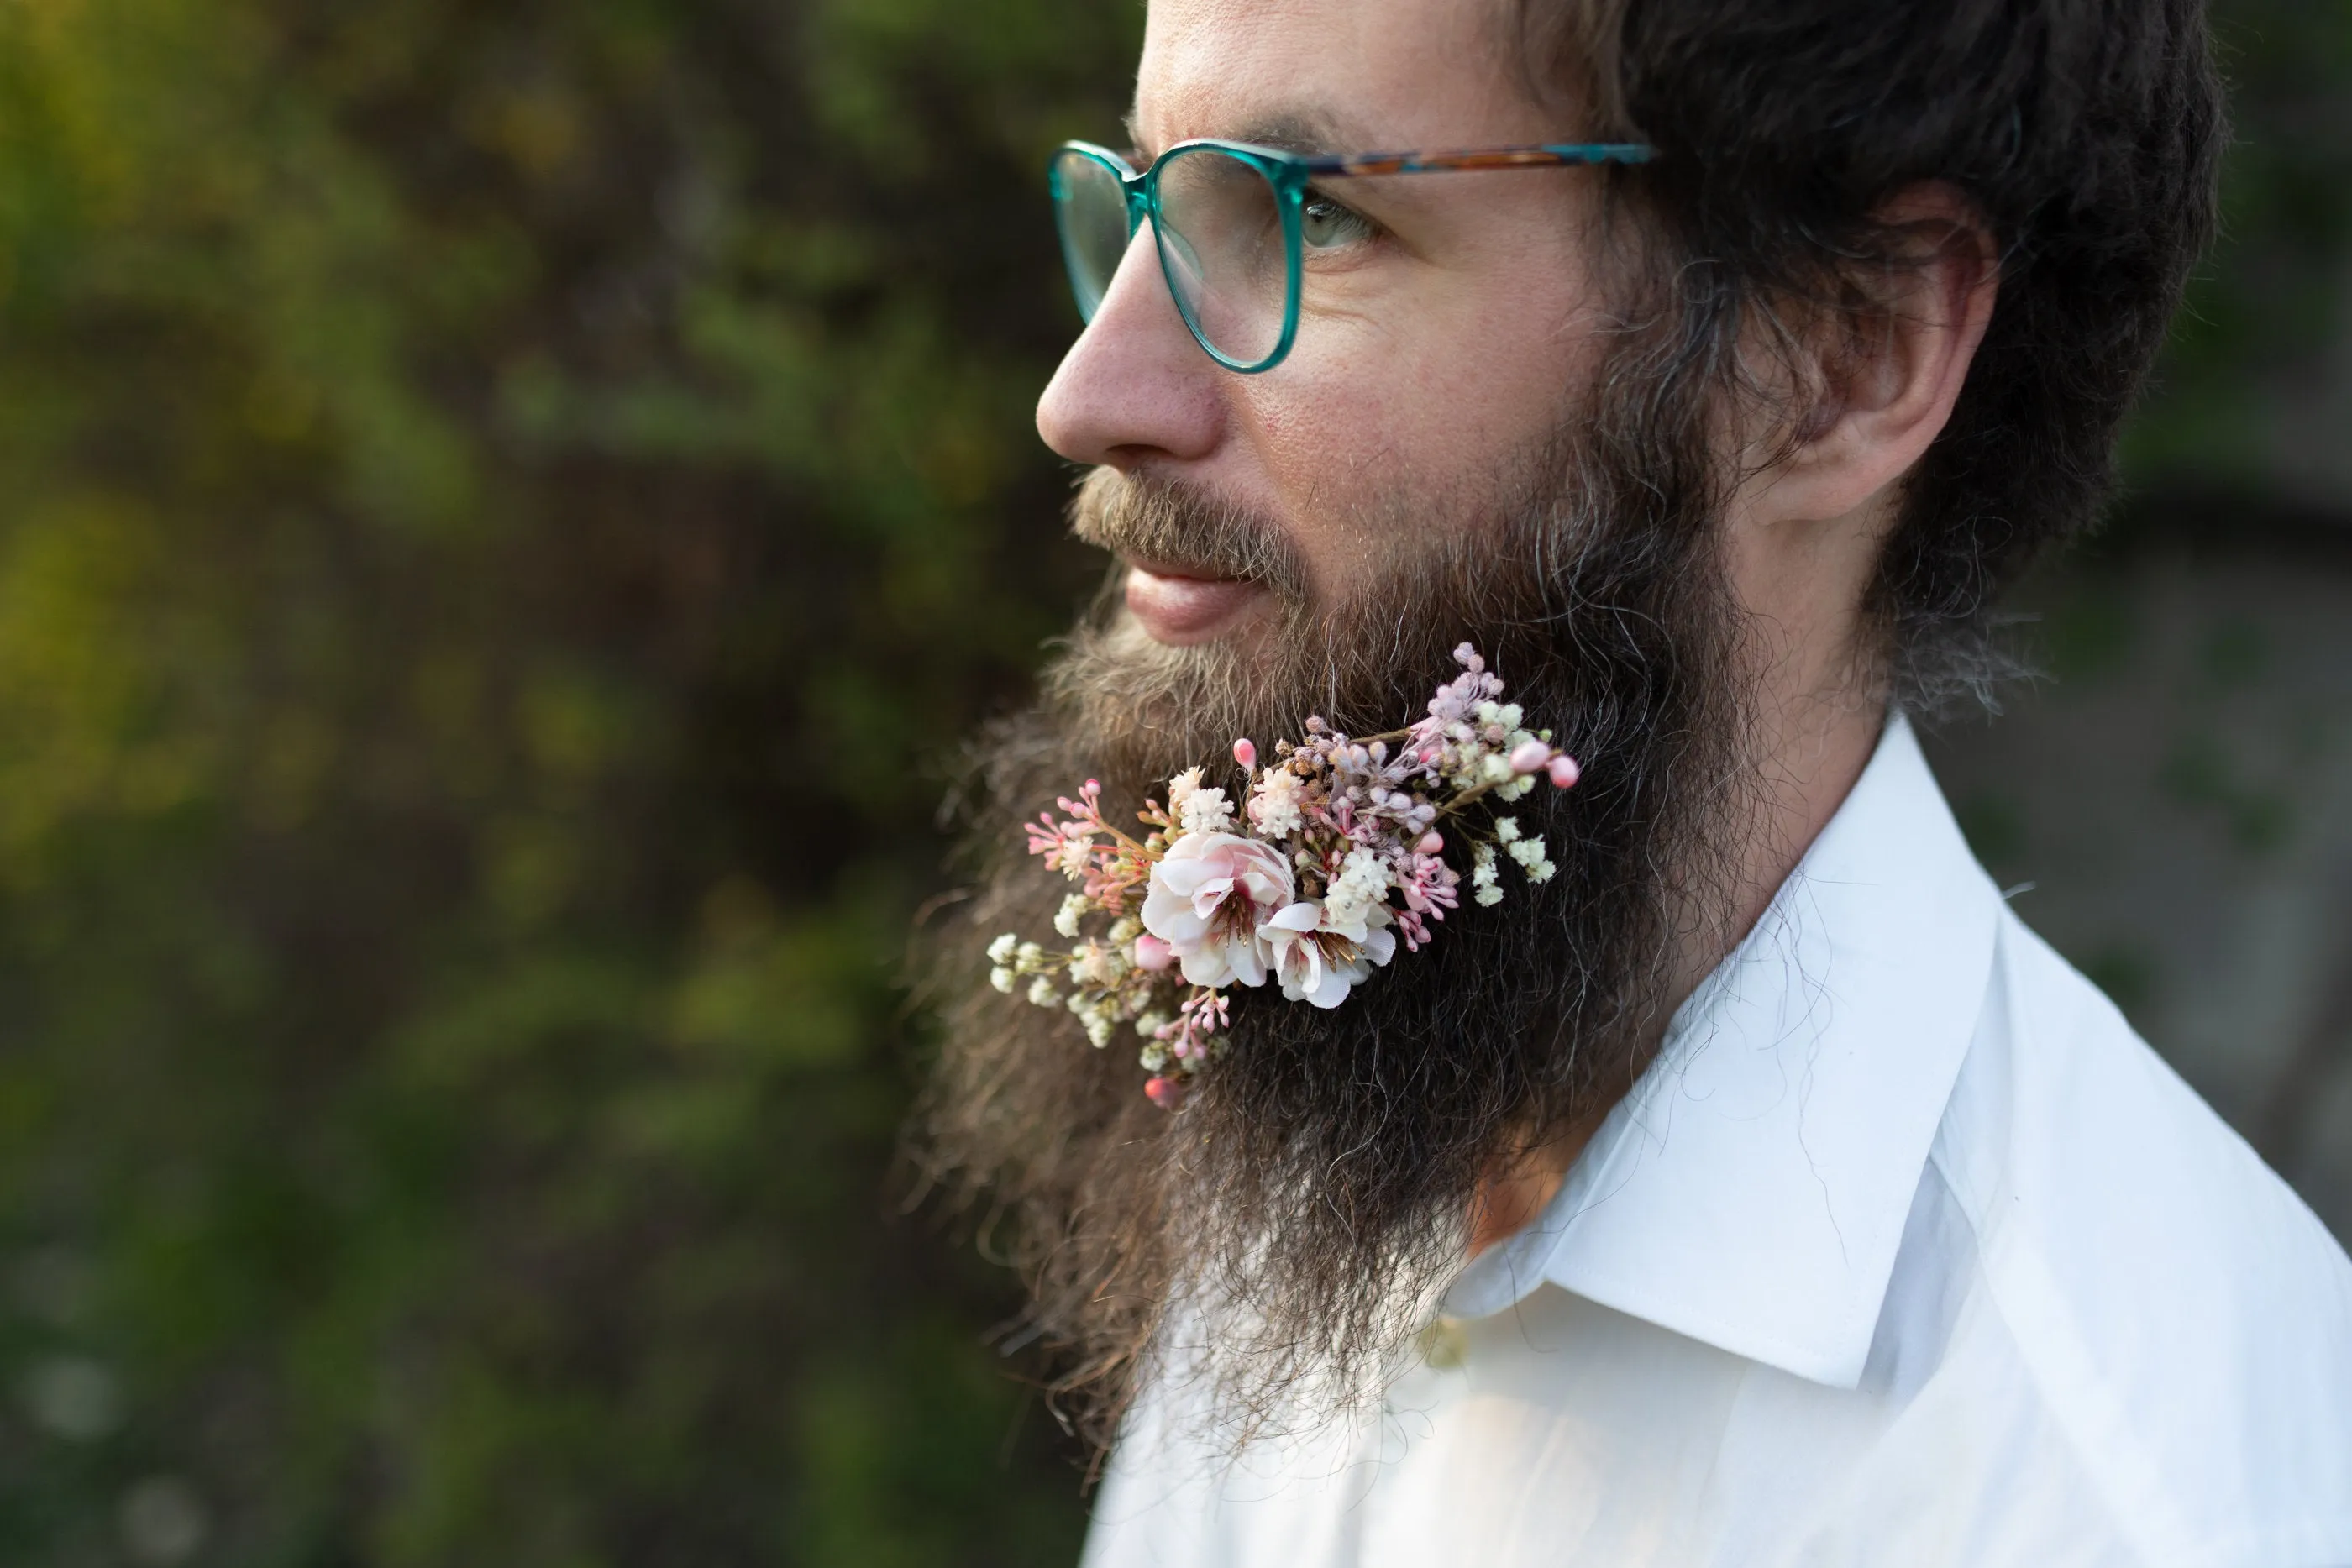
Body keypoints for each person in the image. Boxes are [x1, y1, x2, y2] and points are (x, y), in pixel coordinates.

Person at [917, 0, 2352, 1561]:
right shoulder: (1350, 1070)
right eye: (1148, 205)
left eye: (1314, 217)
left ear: (1842, 357)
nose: (1089, 393)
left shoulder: (2144, 1496)